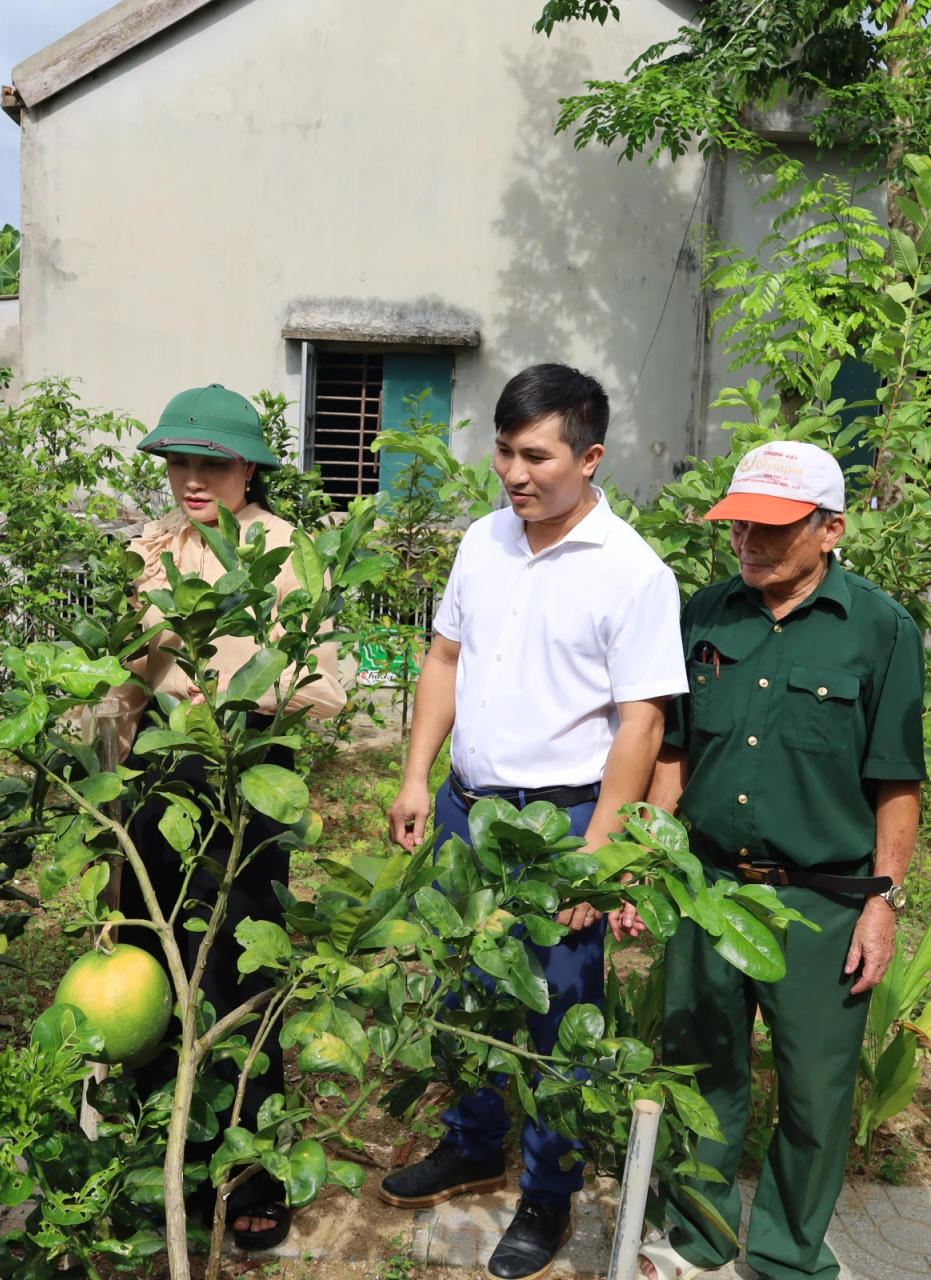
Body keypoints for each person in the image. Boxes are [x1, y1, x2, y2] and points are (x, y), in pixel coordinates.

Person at [381, 364, 687, 1280]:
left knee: (561, 1011)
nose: (515, 474)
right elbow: (444, 658)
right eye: (505, 452)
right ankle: (473, 1140)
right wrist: (415, 776)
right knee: (465, 986)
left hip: (563, 826)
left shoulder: (634, 573)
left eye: (537, 456)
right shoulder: (483, 541)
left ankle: (548, 1198)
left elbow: (643, 721)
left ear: (589, 458)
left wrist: (598, 858)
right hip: (467, 811)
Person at [630, 441, 925, 1280]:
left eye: (773, 529)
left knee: (816, 1095)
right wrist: (651, 863)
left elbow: (897, 781)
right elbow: (674, 753)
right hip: (709, 885)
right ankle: (698, 1240)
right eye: (739, 527)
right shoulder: (707, 614)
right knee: (702, 1069)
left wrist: (883, 902)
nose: (749, 544)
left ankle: (789, 1258)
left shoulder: (881, 629)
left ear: (830, 529)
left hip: (823, 903)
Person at [110, 383, 347, 1253]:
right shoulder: (155, 546)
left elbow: (325, 686)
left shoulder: (286, 551)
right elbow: (128, 683)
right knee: (149, 958)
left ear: (250, 467)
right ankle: (161, 1152)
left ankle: (251, 1169)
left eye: (213, 462)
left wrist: (236, 699)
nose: (194, 479)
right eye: (180, 463)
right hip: (155, 773)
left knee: (241, 974)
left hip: (245, 776)